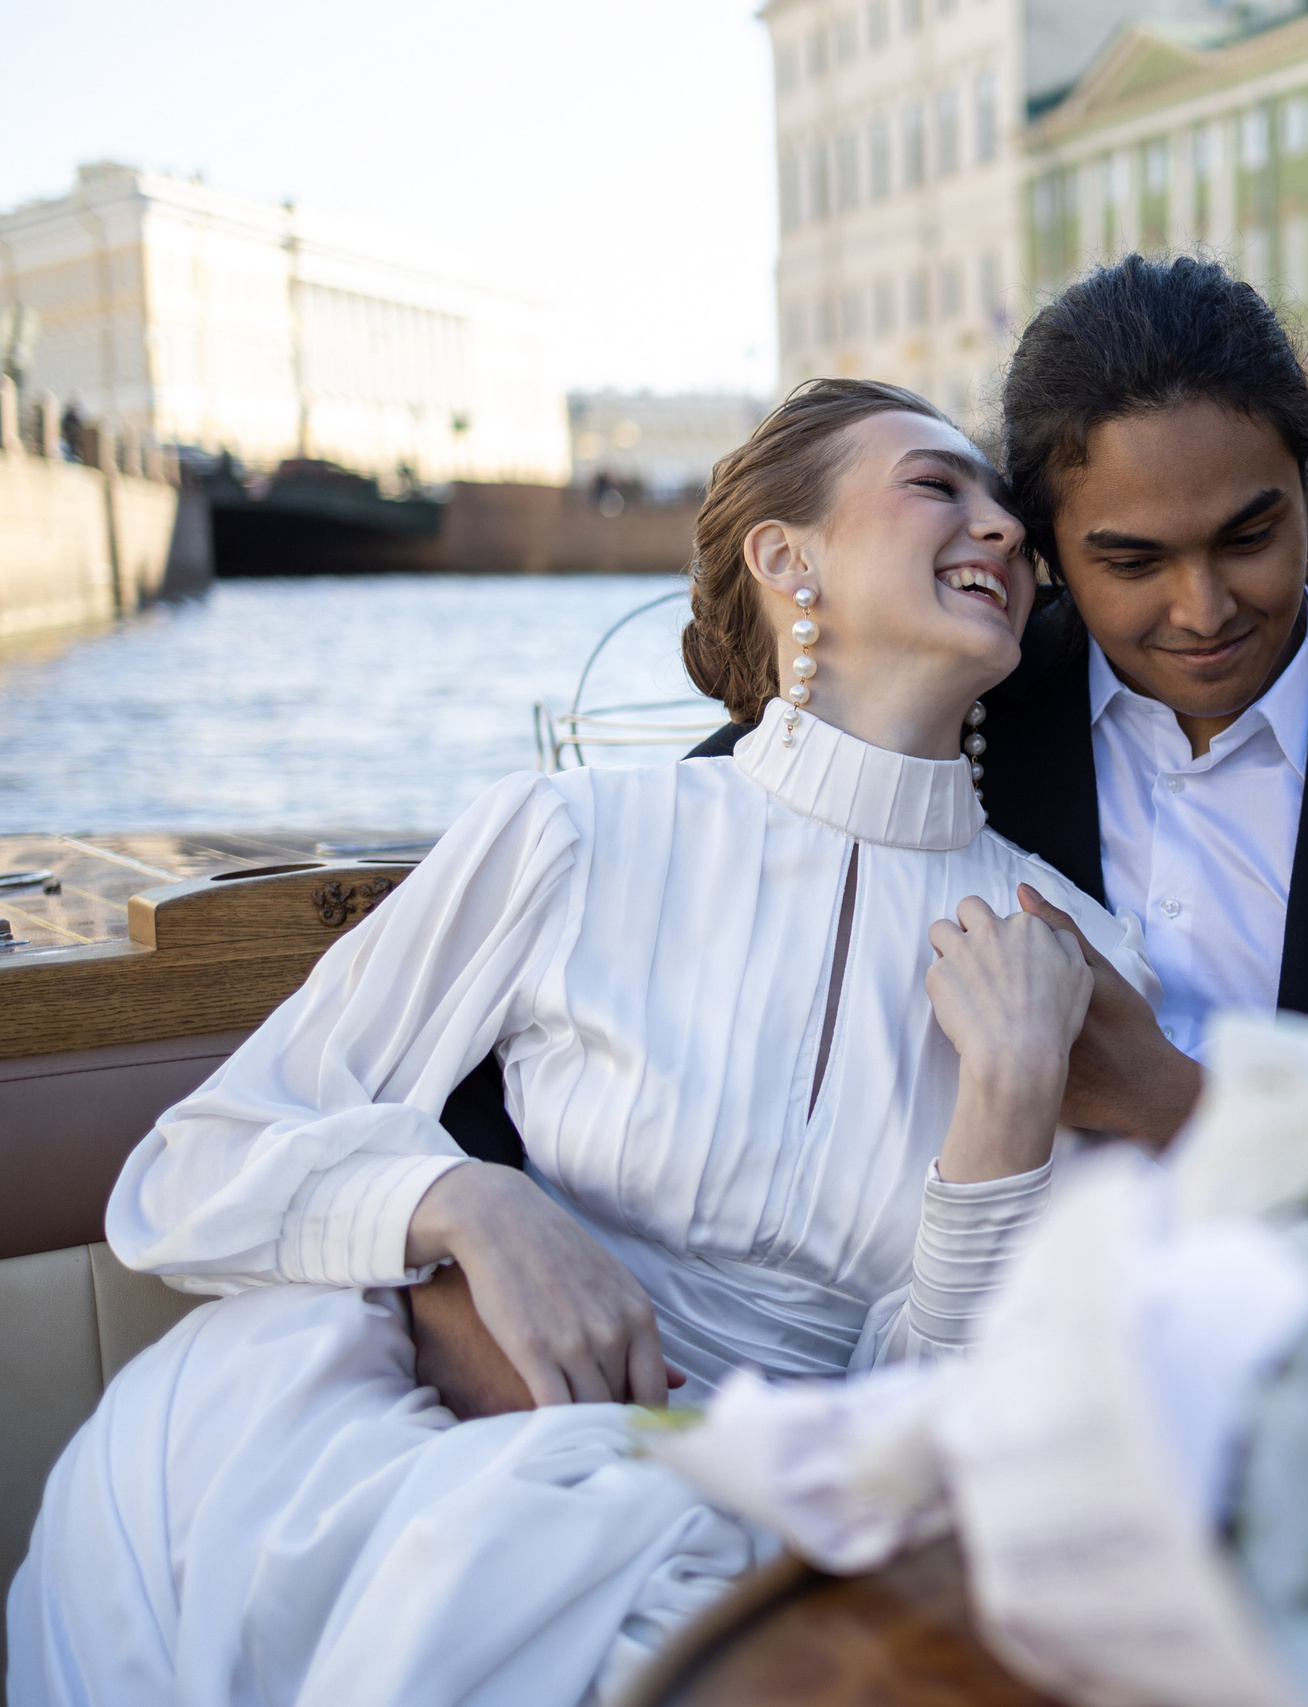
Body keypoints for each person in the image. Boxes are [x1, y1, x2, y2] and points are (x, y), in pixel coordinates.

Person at [9, 380, 1145, 1706]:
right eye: (937, 486)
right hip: (437, 1443)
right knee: (337, 1536)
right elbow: (195, 1167)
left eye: (1005, 503)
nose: (1002, 527)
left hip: (794, 1511)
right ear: (789, 558)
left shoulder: (1077, 954)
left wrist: (1004, 1110)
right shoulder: (572, 834)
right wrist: (469, 1202)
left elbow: (956, 1418)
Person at [686, 256, 1308, 1202]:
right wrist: (522, 1201)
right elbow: (684, 842)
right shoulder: (947, 716)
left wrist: (1169, 1100)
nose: (1203, 608)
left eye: (1248, 538)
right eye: (1134, 562)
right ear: (1044, 550)